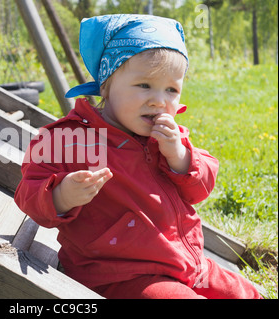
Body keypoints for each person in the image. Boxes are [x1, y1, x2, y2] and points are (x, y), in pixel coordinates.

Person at [14, 14, 261, 299]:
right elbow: (27, 192)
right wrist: (61, 196)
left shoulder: (169, 138)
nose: (159, 100)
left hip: (187, 264)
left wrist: (180, 157)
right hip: (120, 276)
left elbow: (201, 187)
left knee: (245, 293)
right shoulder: (70, 139)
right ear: (106, 85)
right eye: (144, 85)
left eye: (171, 89)